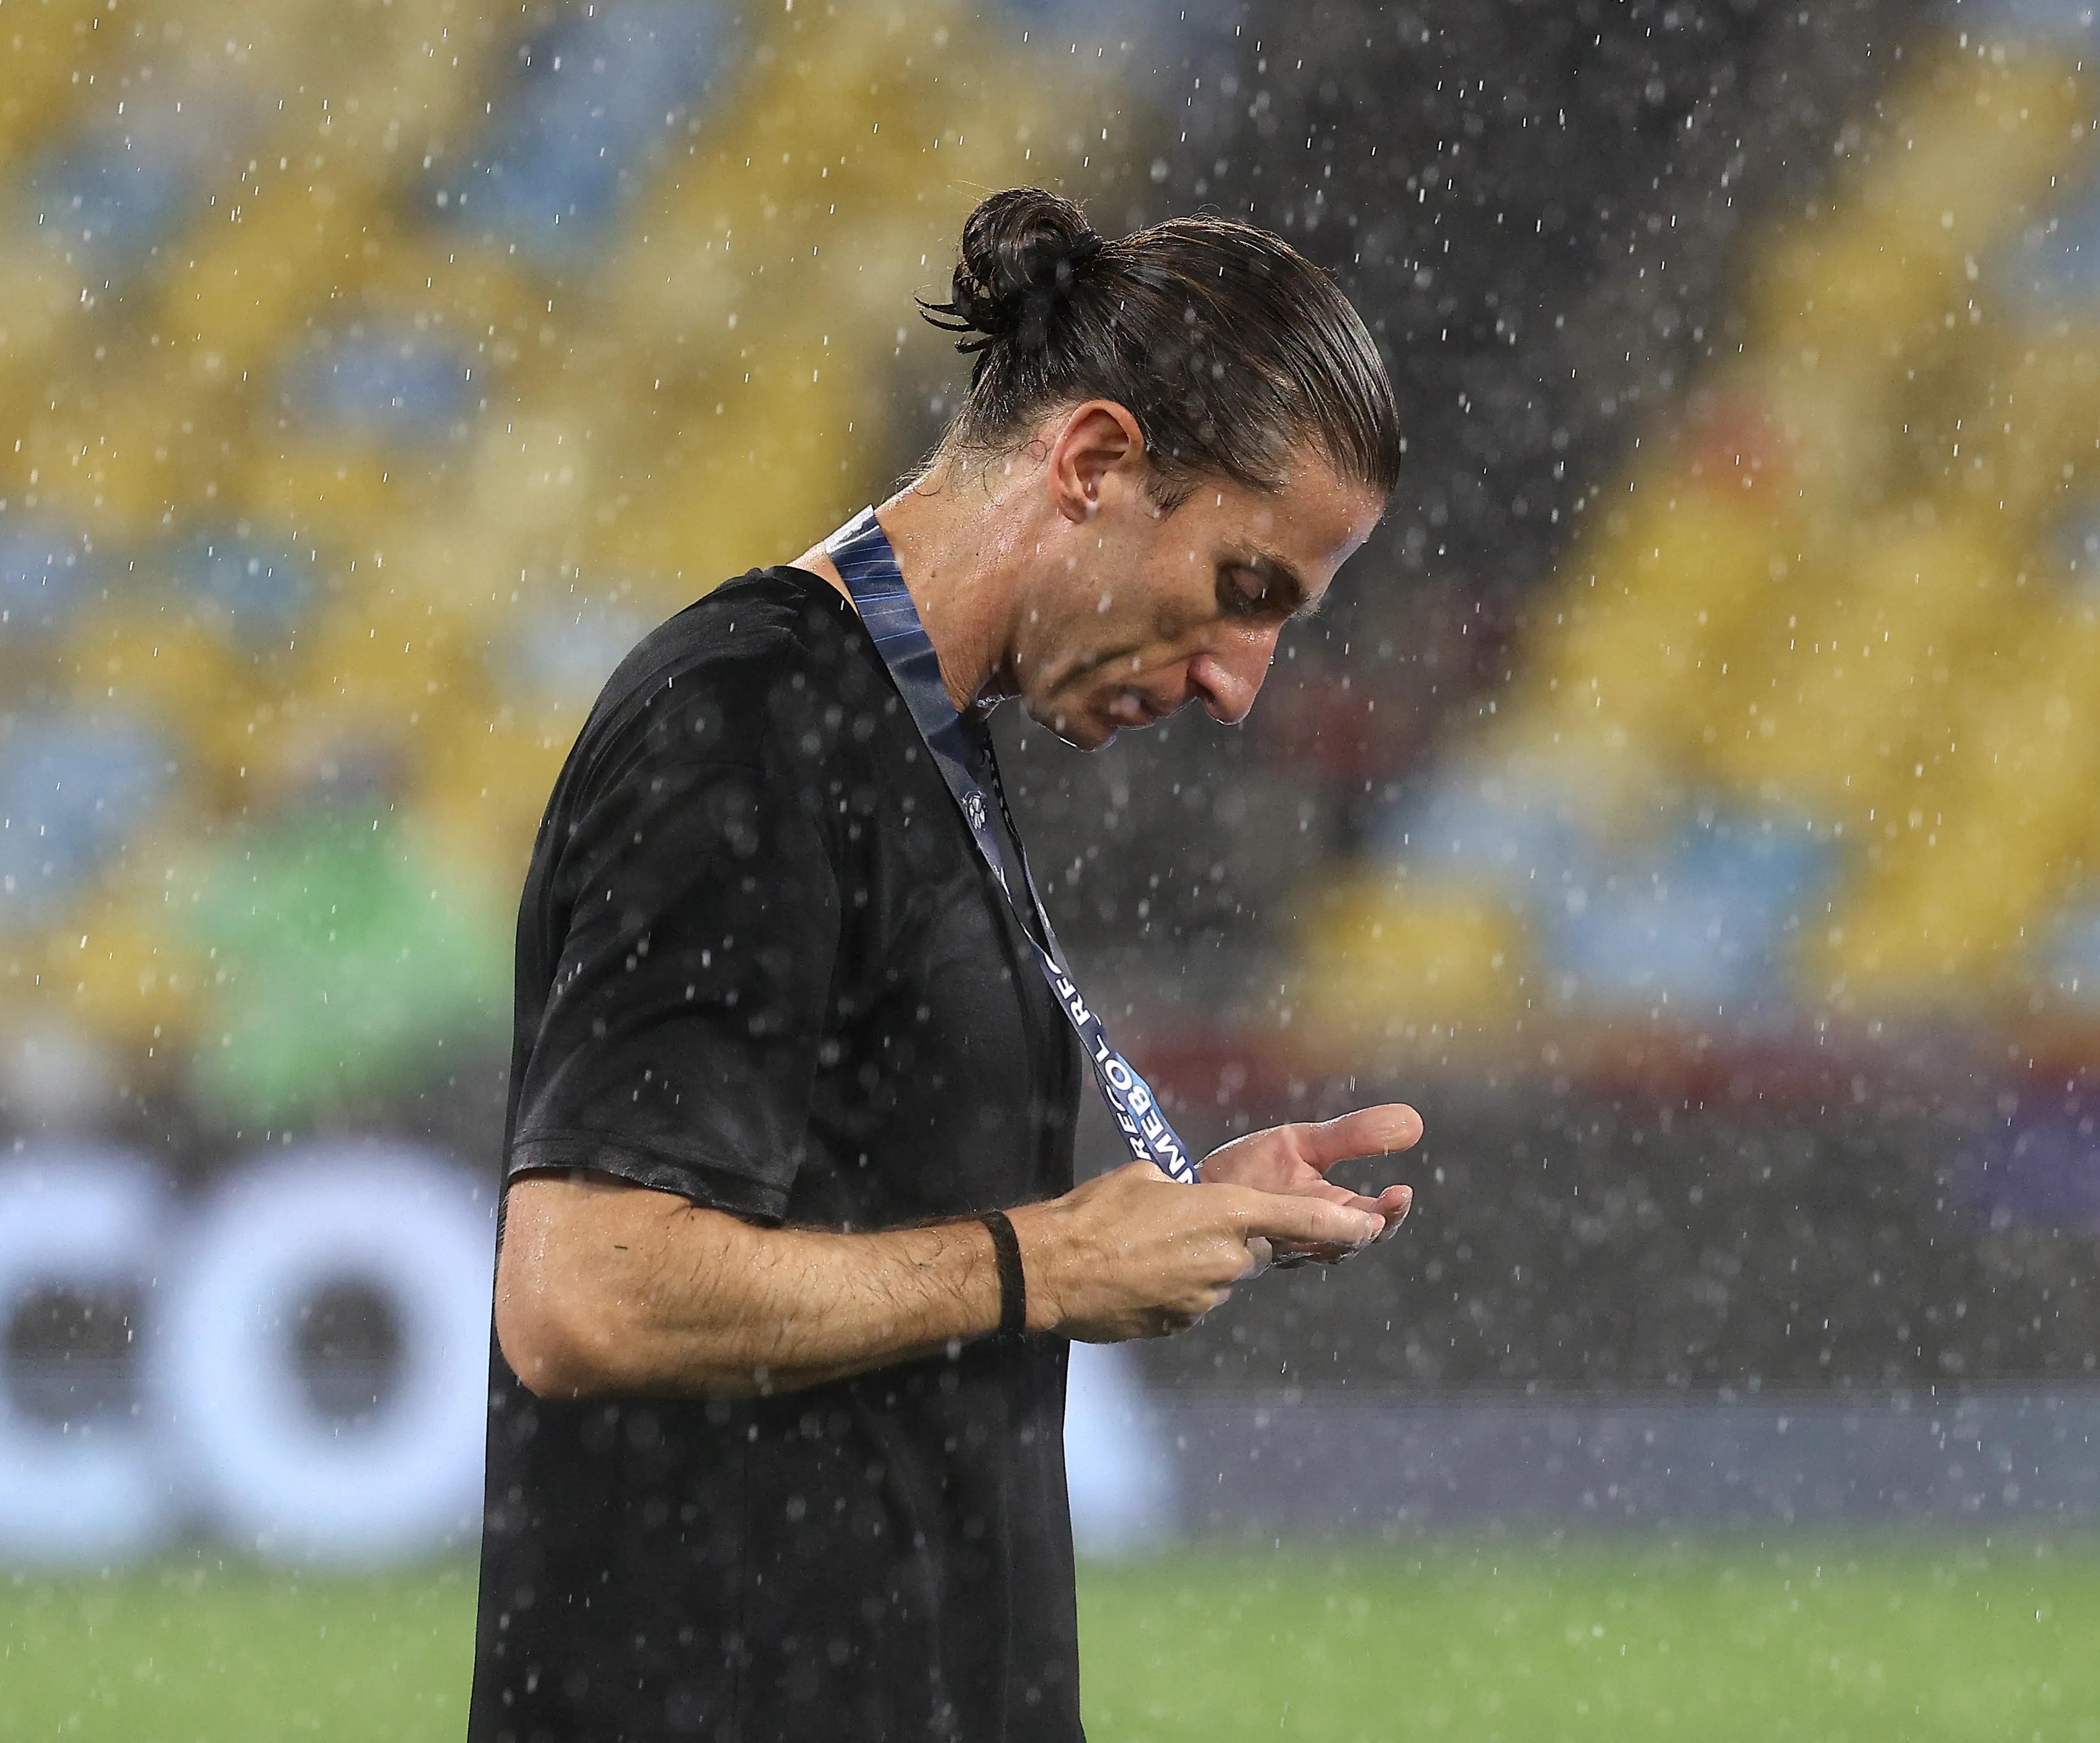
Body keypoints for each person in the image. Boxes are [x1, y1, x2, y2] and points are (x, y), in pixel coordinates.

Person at [469, 187, 1422, 1743]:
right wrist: (1046, 1263)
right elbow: (583, 1293)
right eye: (1247, 592)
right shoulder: (752, 721)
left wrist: (1169, 1230)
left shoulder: (907, 737)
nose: (1242, 685)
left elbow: (867, 1208)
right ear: (1095, 463)